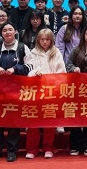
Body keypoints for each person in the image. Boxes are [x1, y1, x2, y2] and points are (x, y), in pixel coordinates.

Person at [0, 22, 33, 162]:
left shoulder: (22, 48)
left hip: (16, 91)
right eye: (5, 30)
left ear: (15, 31)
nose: (7, 32)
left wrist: (15, 69)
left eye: (10, 29)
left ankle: (12, 151)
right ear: (1, 34)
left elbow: (30, 66)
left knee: (13, 122)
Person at [25, 29, 65, 159]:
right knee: (33, 121)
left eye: (47, 39)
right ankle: (32, 149)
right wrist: (34, 73)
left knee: (49, 121)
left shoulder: (57, 53)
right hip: (36, 92)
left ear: (52, 40)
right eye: (42, 39)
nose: (45, 42)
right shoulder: (33, 53)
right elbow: (28, 69)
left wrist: (53, 79)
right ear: (38, 40)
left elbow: (62, 72)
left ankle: (48, 147)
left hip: (51, 92)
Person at [66, 26, 87, 156]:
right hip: (76, 88)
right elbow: (68, 64)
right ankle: (75, 145)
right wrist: (73, 68)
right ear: (83, 35)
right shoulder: (76, 50)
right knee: (75, 116)